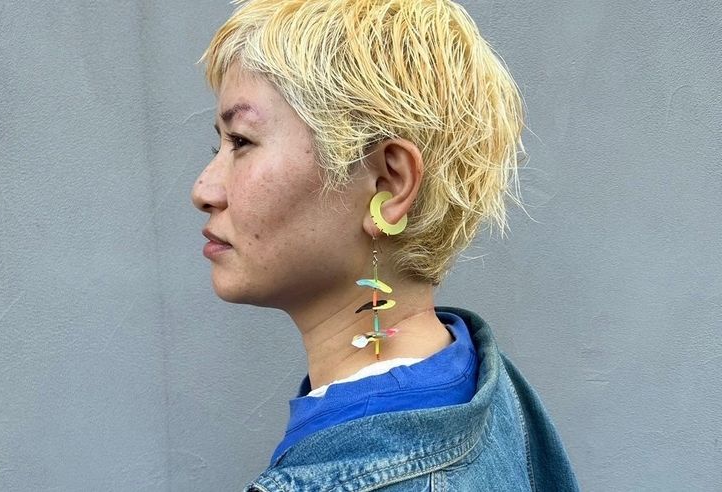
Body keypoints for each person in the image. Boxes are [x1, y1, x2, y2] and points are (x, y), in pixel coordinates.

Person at [191, 0, 579, 490]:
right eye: (219, 145)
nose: (204, 190)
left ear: (389, 185)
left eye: (241, 142)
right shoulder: (486, 386)